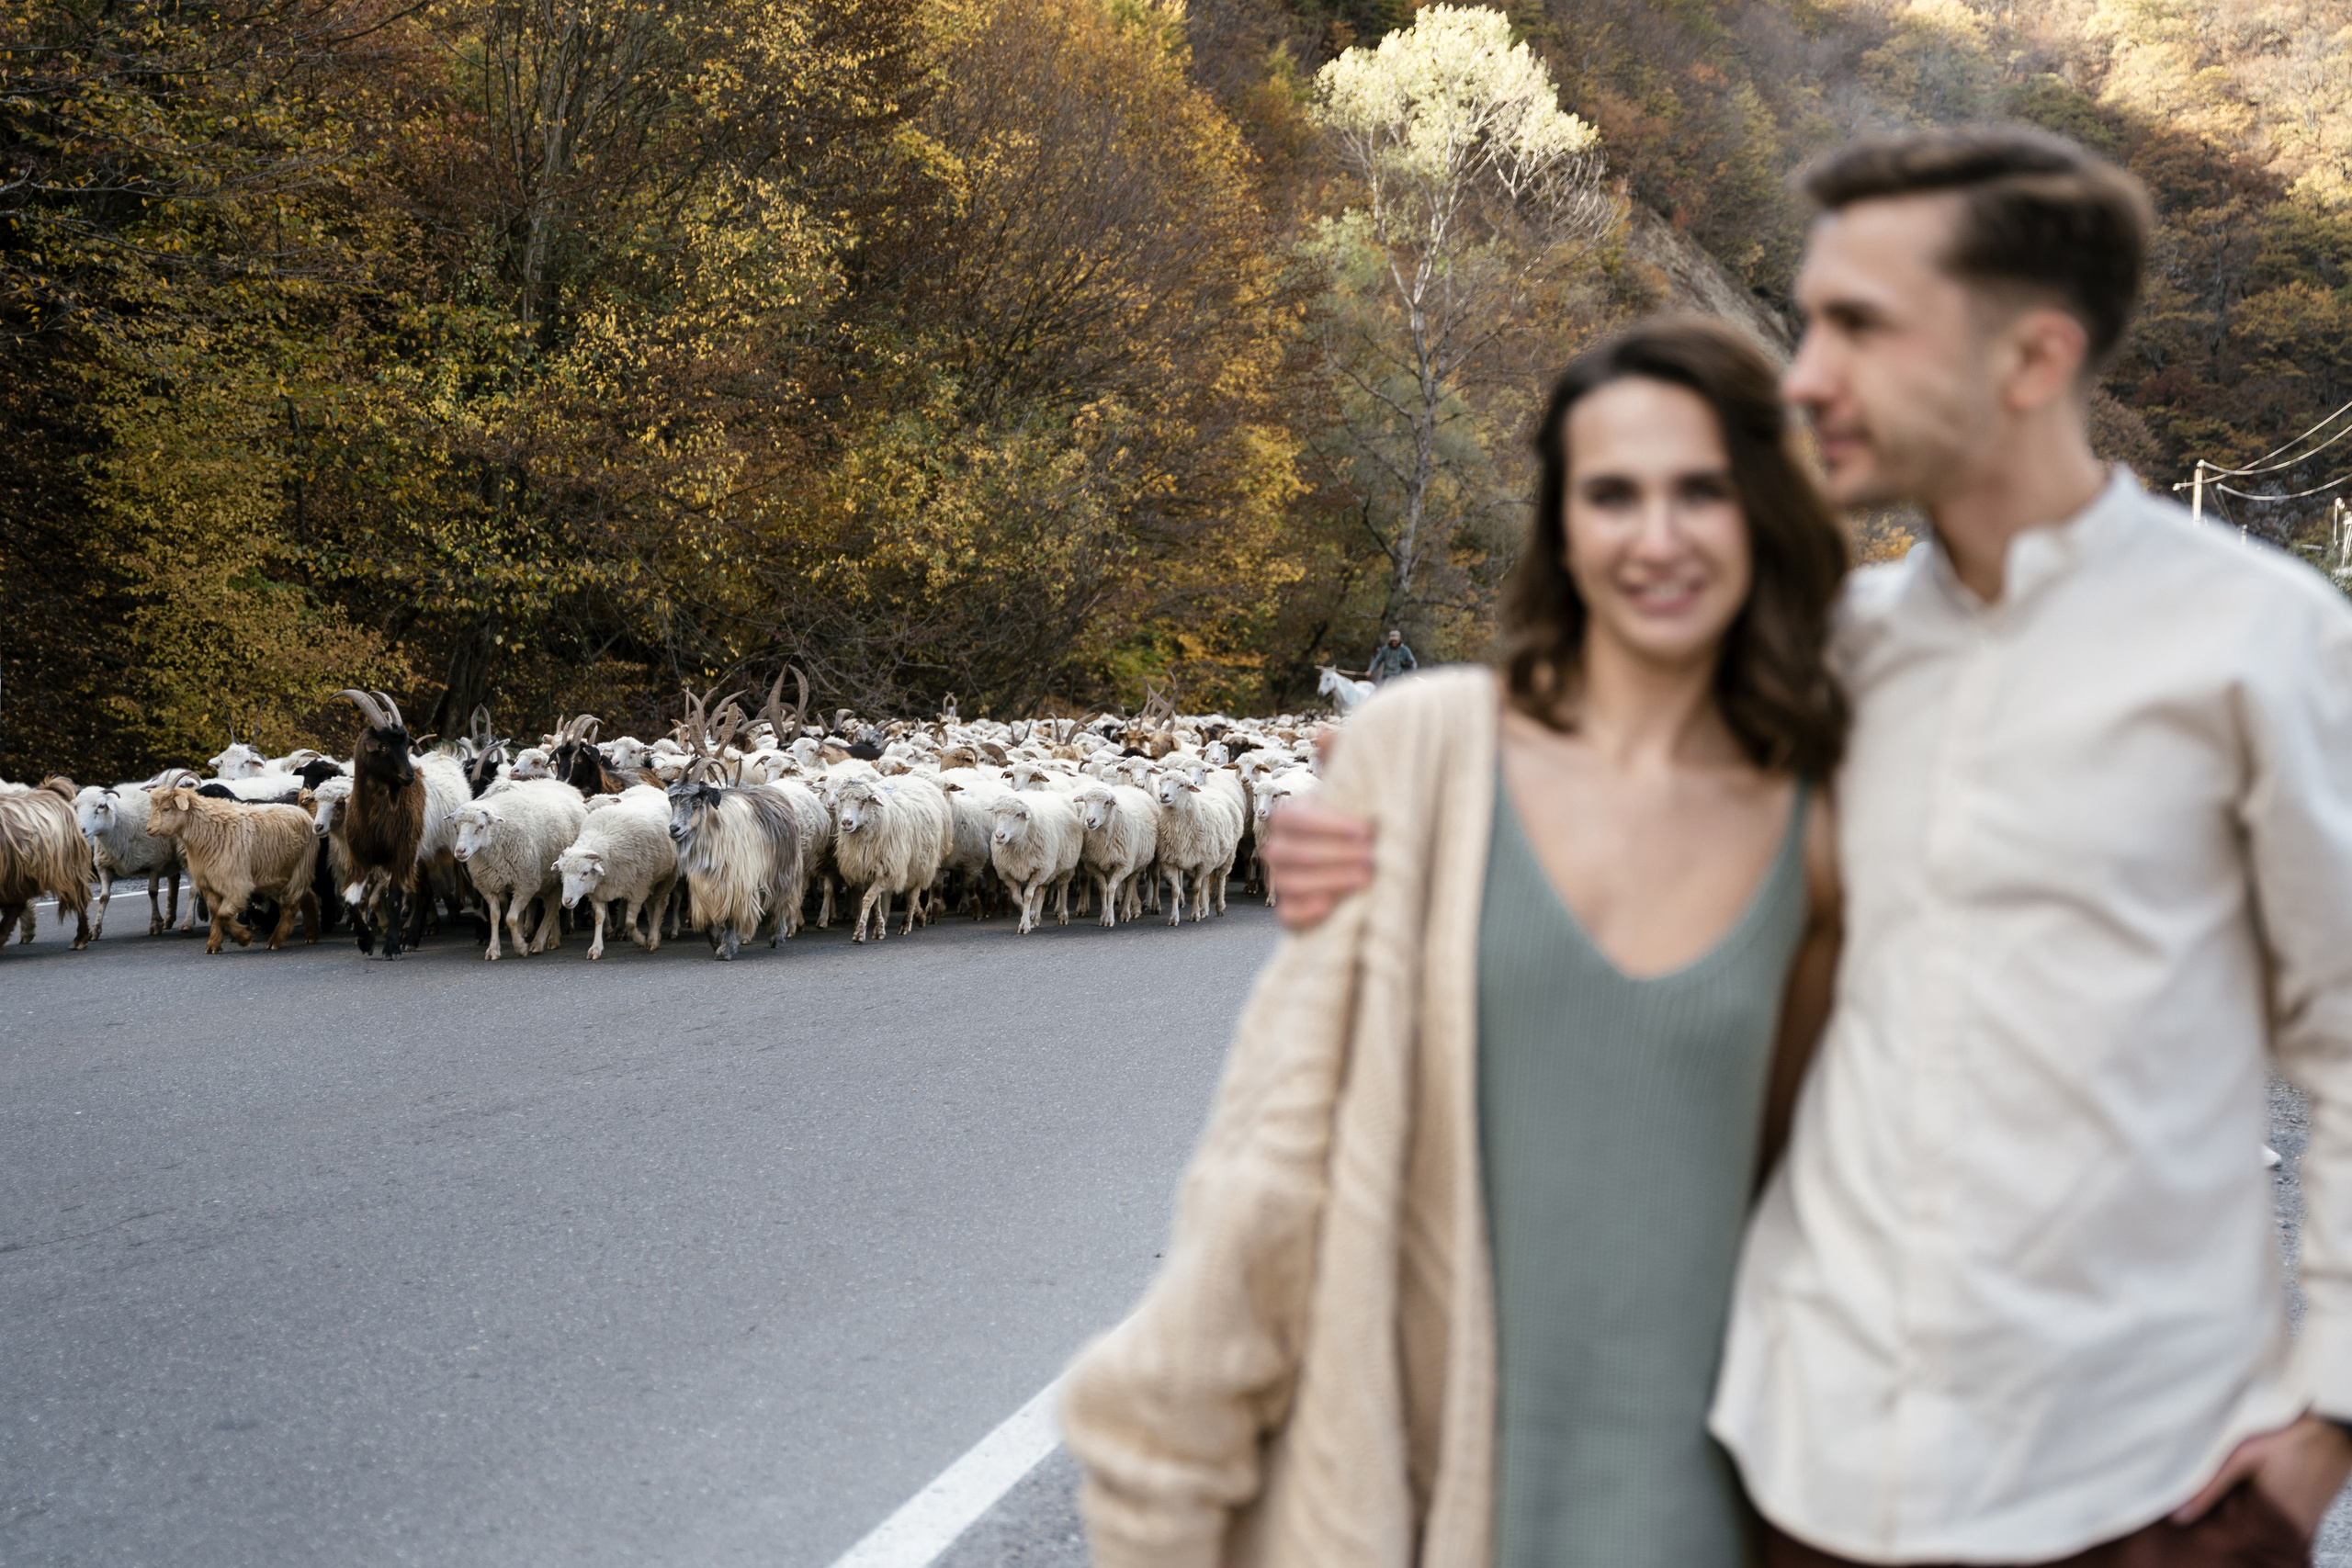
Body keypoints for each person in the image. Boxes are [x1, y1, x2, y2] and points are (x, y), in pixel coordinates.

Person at [1264, 125, 2352, 1567]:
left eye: (1857, 327)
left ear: (2029, 361)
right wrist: (1373, 823)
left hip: (2128, 1489)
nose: (1805, 376)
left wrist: (2327, 1418)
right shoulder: (1828, 652)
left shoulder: (2259, 648)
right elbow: (1590, 801)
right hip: (1805, 1476)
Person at [1058, 318, 1849, 1568]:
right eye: (1612, 494)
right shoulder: (1421, 756)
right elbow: (1273, 1157)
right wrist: (1163, 1478)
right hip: (1420, 1500)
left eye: (1703, 489)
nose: (1658, 537)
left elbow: (1827, 1186)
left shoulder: (1824, 817)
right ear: (1561, 526)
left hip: (1697, 1507)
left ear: (1764, 508)